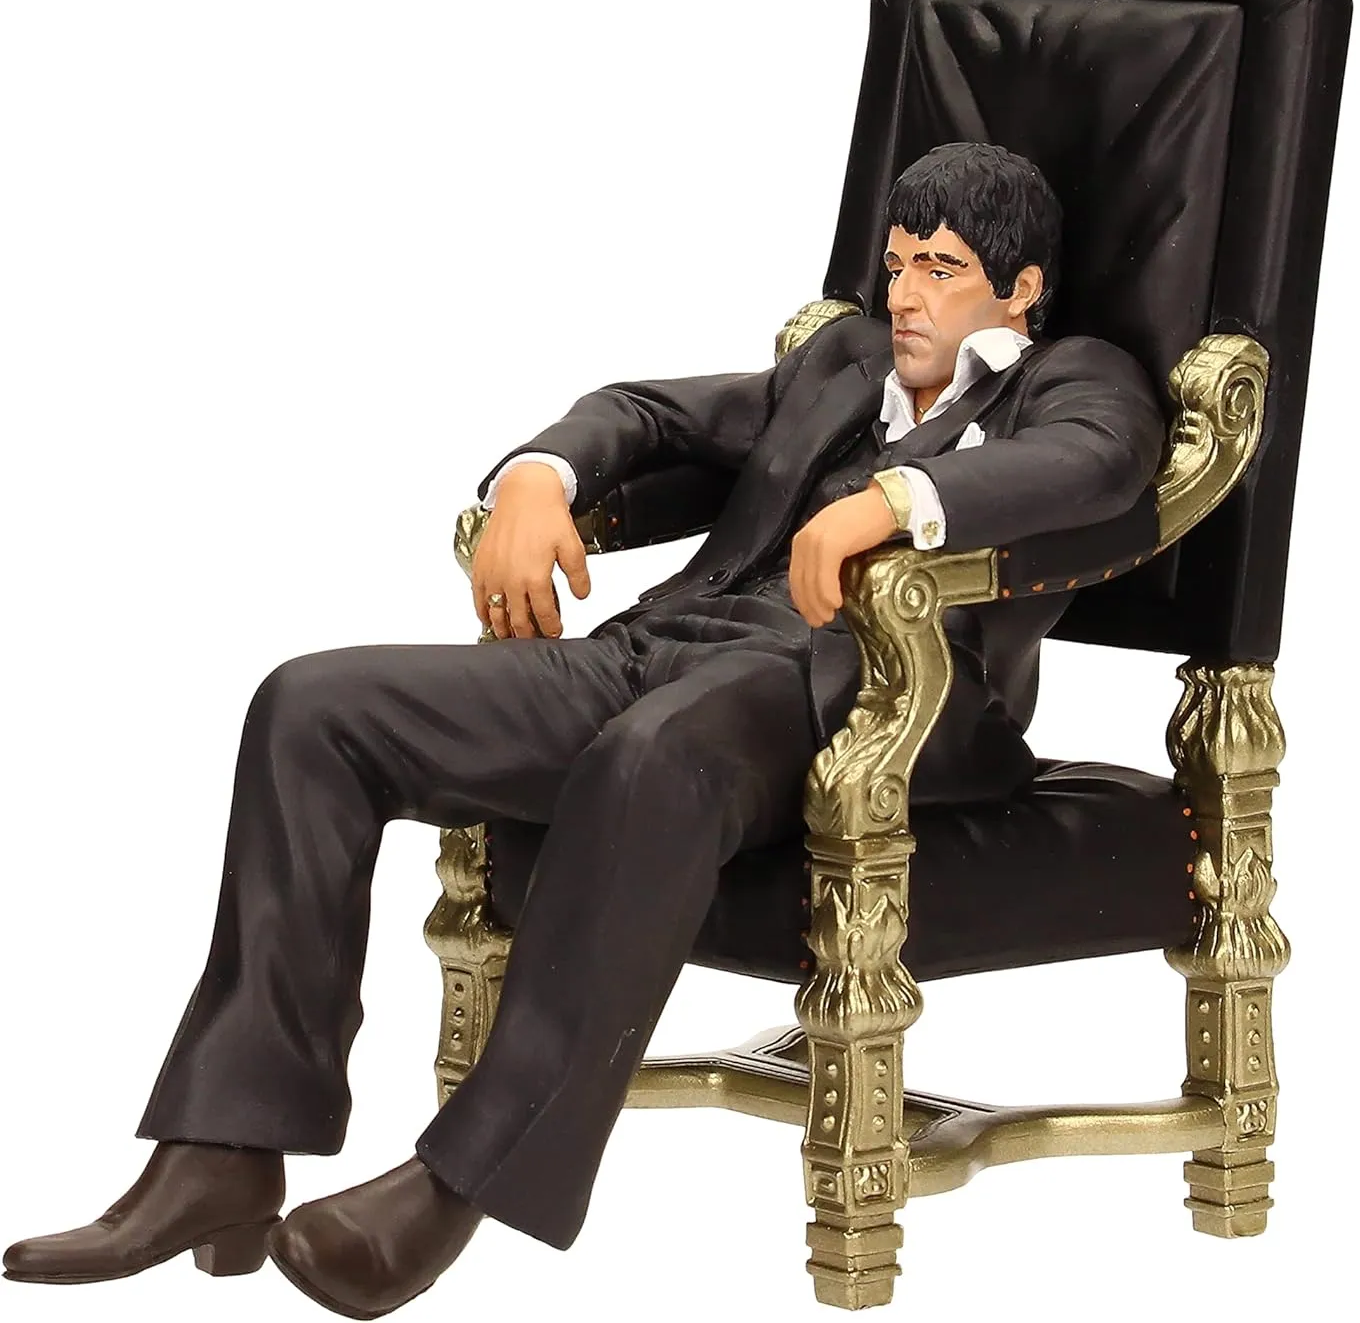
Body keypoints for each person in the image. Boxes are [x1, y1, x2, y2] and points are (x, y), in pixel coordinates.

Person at [3, 142, 1166, 1318]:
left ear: (1019, 290)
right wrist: (538, 480)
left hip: (849, 695)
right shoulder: (844, 361)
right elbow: (648, 412)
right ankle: (223, 1145)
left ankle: (464, 1178)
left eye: (942, 270)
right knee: (313, 709)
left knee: (652, 756)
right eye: (898, 261)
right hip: (657, 648)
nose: (905, 293)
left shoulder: (1073, 377)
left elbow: (1103, 460)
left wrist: (894, 500)